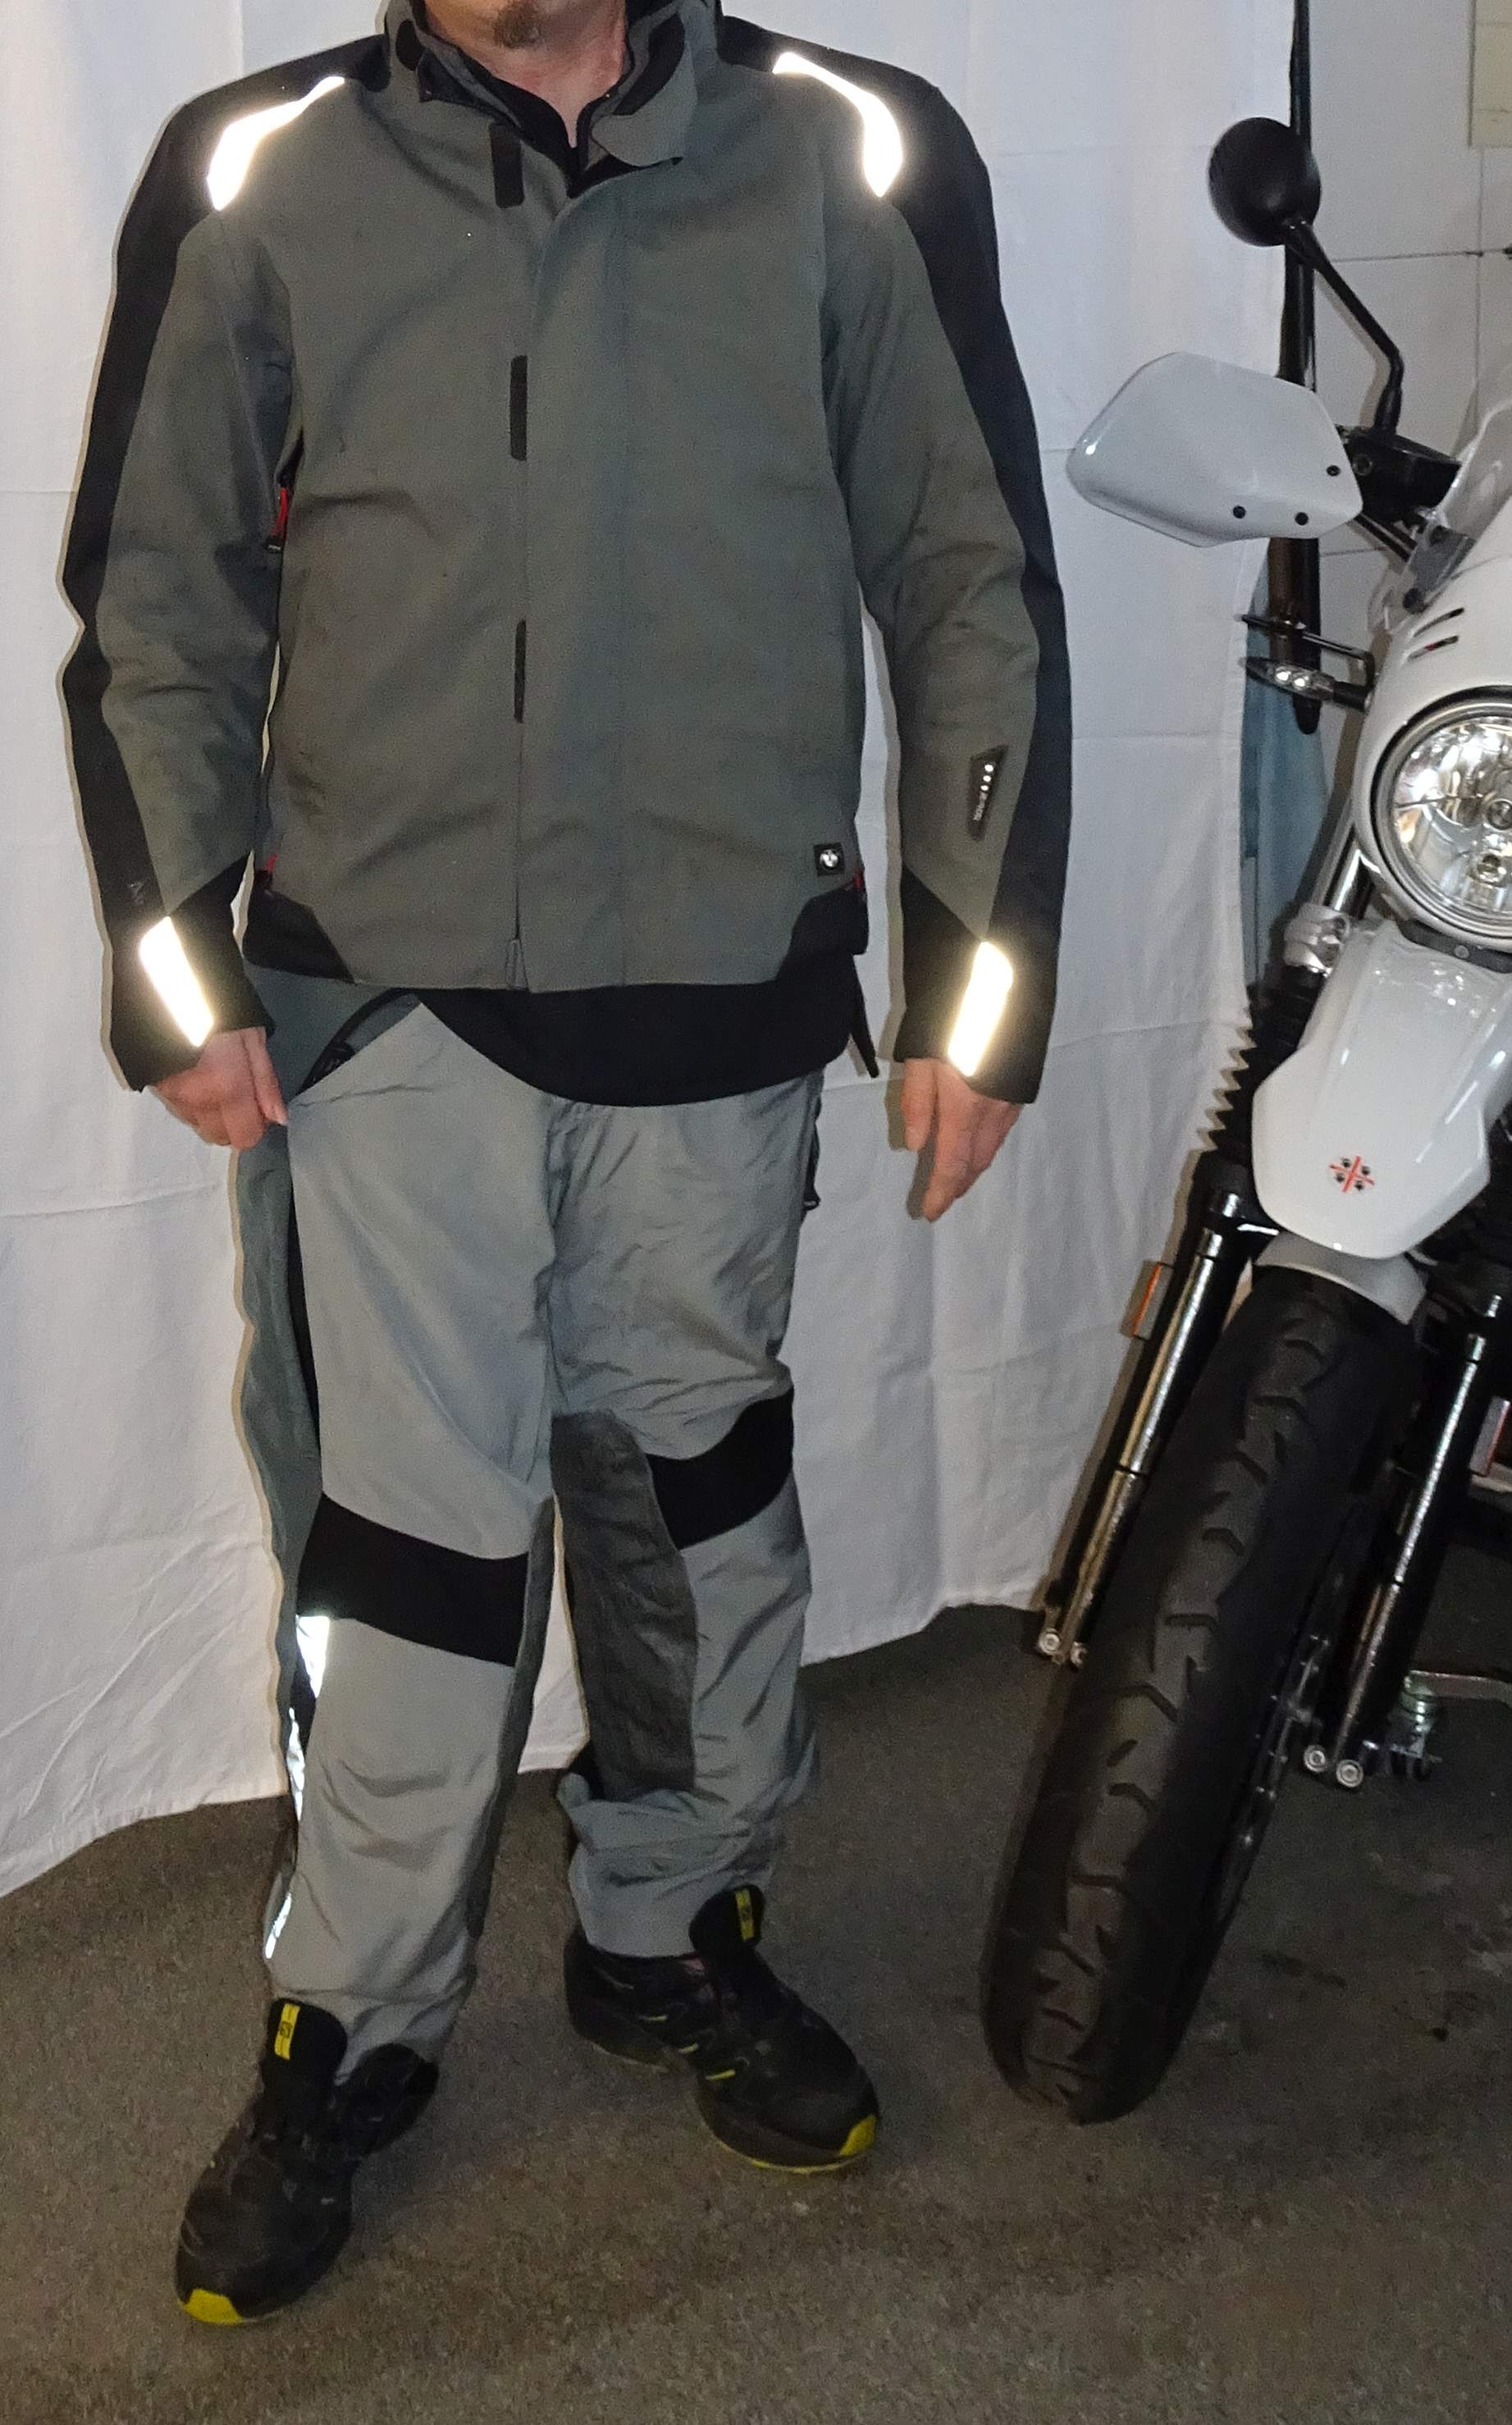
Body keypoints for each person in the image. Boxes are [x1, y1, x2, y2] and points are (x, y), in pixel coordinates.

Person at [62, 0, 1071, 2325]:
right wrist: (182, 968)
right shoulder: (260, 165)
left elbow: (967, 572)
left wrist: (977, 980)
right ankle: (352, 2020)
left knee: (689, 1499)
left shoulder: (852, 152)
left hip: (720, 989)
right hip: (386, 1002)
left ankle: (671, 1924)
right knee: (403, 1549)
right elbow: (157, 597)